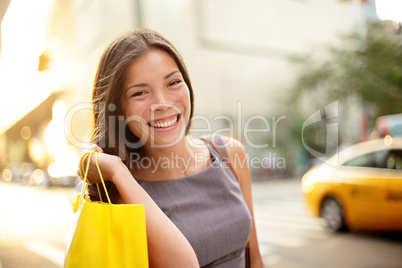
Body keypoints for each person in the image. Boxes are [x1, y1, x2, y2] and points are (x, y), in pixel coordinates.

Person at [81, 28, 264, 268]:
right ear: (118, 110)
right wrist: (118, 173)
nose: (163, 103)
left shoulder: (229, 154)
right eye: (140, 93)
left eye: (174, 82)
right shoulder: (116, 194)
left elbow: (255, 258)